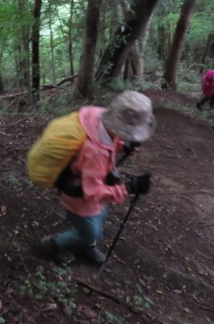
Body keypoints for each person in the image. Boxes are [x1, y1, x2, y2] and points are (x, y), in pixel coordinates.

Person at [40, 91, 155, 265]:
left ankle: (87, 246)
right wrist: (129, 188)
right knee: (90, 232)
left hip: (90, 193)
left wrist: (123, 146)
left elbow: (106, 141)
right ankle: (55, 244)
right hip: (79, 200)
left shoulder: (99, 121)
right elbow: (92, 192)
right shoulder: (95, 153)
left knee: (99, 217)